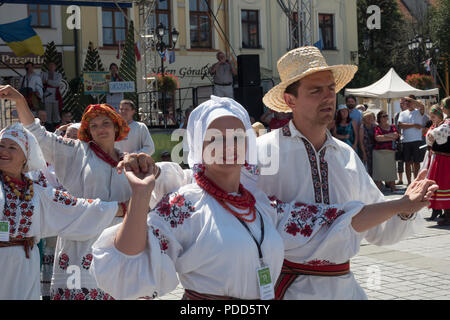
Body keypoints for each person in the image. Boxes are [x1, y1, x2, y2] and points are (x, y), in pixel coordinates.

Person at [92, 96, 436, 301]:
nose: (228, 145)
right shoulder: (185, 206)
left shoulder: (259, 204)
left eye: (236, 136)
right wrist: (140, 196)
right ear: (198, 145)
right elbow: (127, 263)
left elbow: (333, 222)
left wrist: (403, 204)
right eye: (216, 137)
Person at [256, 46, 430, 299]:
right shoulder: (262, 152)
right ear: (289, 100)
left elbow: (378, 230)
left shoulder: (345, 154)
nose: (328, 98)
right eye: (316, 91)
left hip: (344, 289)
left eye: (331, 89)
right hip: (287, 290)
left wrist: (405, 209)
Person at [0, 84, 190, 300]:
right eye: (94, 125)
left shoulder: (129, 161)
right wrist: (20, 102)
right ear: (87, 130)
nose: (101, 128)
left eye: (106, 123)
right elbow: (38, 135)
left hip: (120, 243)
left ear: (117, 127)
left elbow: (156, 189)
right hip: (81, 242)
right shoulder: (74, 152)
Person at [0, 123, 124, 300]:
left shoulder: (37, 190)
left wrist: (118, 209)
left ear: (25, 157)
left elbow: (74, 207)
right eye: (1, 145)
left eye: (12, 147)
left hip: (25, 263)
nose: (4, 151)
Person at [426, 97, 450, 225]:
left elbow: (434, 134)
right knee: (444, 186)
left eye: (442, 106)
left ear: (446, 108)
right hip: (443, 157)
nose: (441, 108)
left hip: (444, 159)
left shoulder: (447, 122)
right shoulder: (446, 121)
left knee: (444, 186)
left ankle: (448, 216)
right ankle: (446, 214)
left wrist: (431, 136)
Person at [424, 104, 445, 221]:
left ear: (439, 115)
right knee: (431, 182)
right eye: (431, 116)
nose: (431, 119)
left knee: (439, 183)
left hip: (438, 157)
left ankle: (442, 210)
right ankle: (435, 209)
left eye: (434, 116)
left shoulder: (443, 126)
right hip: (430, 156)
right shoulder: (433, 126)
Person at [398, 96, 424, 185]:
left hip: (417, 140)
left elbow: (422, 106)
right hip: (406, 141)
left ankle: (416, 182)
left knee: (417, 163)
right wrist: (414, 125)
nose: (407, 103)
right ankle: (409, 182)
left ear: (413, 102)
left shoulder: (419, 111)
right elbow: (401, 125)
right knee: (407, 163)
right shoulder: (402, 113)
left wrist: (412, 100)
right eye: (406, 102)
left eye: (409, 101)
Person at [372, 110, 400, 192]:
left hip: (390, 151)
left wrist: (383, 136)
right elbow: (377, 138)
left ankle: (393, 188)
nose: (386, 117)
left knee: (391, 171)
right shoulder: (376, 127)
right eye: (383, 116)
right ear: (379, 118)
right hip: (378, 152)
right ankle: (378, 191)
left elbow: (395, 136)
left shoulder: (392, 126)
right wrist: (389, 136)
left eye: (386, 115)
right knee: (378, 172)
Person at [41, 61, 63, 130]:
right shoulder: (44, 74)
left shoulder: (58, 75)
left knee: (56, 113)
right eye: (50, 65)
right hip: (46, 95)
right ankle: (48, 128)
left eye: (52, 65)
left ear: (55, 67)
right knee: (48, 113)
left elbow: (57, 83)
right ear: (47, 66)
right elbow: (41, 82)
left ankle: (57, 128)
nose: (51, 67)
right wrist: (50, 83)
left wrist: (47, 81)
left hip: (55, 95)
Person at [394, 98, 408, 185]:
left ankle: (410, 180)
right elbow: (396, 127)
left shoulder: (410, 114)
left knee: (409, 161)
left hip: (408, 139)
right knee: (400, 160)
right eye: (400, 103)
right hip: (399, 140)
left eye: (402, 103)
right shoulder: (397, 115)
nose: (401, 105)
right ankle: (400, 179)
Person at [359, 111, 376, 176]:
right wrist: (364, 153)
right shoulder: (362, 127)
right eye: (367, 117)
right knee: (368, 167)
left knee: (376, 167)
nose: (369, 119)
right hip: (366, 149)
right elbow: (361, 142)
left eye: (370, 117)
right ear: (364, 119)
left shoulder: (375, 126)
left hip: (375, 149)